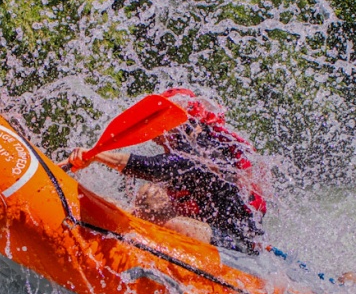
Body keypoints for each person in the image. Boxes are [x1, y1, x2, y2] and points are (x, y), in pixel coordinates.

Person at [68, 89, 267, 254]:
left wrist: (97, 155)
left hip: (236, 242)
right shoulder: (184, 144)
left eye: (162, 123)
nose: (154, 133)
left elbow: (158, 168)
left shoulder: (205, 150)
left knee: (176, 226)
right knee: (149, 197)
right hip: (203, 225)